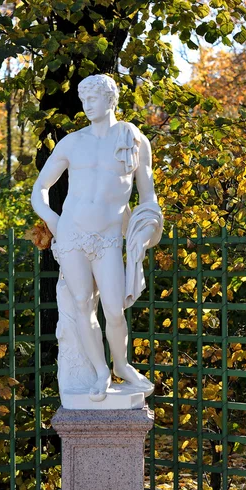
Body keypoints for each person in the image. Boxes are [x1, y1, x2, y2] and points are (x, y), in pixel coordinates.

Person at [31, 74, 163, 403]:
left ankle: (121, 364)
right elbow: (40, 189)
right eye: (83, 100)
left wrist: (146, 227)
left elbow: (148, 198)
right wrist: (52, 219)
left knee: (115, 311)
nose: (87, 105)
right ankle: (101, 371)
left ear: (110, 100)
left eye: (93, 99)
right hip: (73, 235)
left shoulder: (132, 140)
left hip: (107, 239)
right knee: (81, 306)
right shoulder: (72, 142)